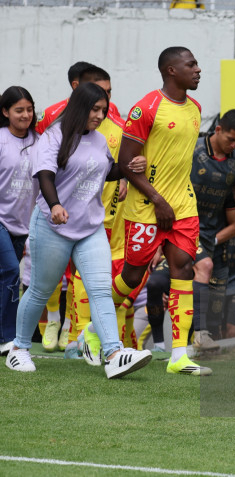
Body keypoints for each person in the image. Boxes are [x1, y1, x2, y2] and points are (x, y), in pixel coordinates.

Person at [5, 83, 152, 378]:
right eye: (94, 110)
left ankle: (113, 352)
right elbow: (44, 175)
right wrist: (55, 205)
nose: (100, 116)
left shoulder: (98, 140)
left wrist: (129, 167)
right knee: (40, 290)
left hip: (90, 227)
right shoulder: (54, 136)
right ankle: (19, 350)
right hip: (53, 225)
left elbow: (106, 171)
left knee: (99, 289)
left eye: (103, 110)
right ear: (79, 108)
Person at [114, 46, 212, 376]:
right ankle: (92, 328)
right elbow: (126, 163)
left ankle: (178, 355)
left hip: (183, 206)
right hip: (146, 207)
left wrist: (171, 200)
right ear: (171, 70)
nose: (198, 69)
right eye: (191, 64)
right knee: (133, 275)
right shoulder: (146, 108)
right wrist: (156, 199)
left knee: (182, 270)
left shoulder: (196, 108)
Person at [190, 109, 235, 350]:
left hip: (215, 237)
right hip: (186, 227)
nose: (234, 144)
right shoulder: (193, 149)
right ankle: (194, 336)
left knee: (214, 299)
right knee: (200, 270)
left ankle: (200, 343)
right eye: (231, 139)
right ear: (218, 130)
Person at [0, 87, 38, 355]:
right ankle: (8, 337)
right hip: (0, 220)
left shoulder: (41, 141)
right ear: (5, 112)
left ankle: (6, 337)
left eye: (29, 109)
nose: (26, 115)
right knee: (13, 272)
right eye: (19, 110)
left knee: (10, 280)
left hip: (24, 225)